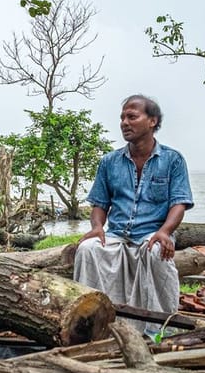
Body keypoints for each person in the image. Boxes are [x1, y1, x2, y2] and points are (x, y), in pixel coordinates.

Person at [73, 94, 194, 331]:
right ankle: (91, 325)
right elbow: (99, 203)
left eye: (132, 116)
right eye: (122, 118)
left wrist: (166, 231)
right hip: (117, 233)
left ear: (152, 121)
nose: (124, 123)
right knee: (87, 250)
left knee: (158, 252)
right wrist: (97, 227)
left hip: (152, 232)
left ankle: (160, 329)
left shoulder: (173, 160)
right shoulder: (109, 161)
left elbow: (179, 203)